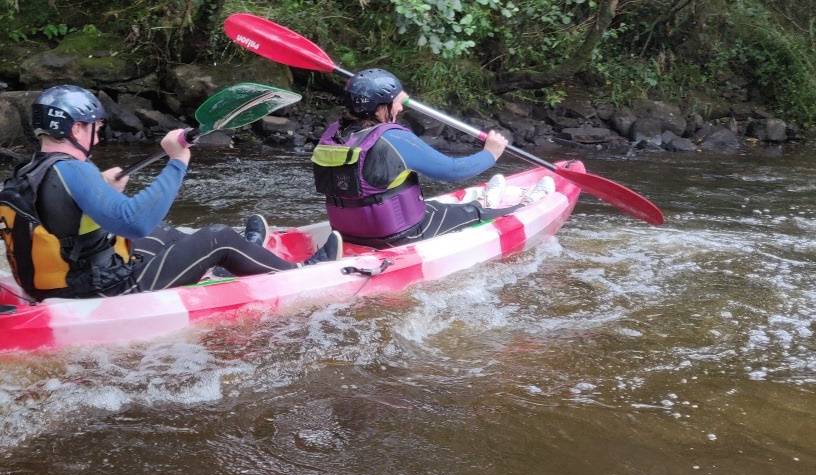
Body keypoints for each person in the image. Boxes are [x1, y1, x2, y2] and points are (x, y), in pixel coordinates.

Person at [0, 84, 341, 302]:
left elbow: (61, 217)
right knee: (216, 237)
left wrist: (101, 191)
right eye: (95, 128)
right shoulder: (75, 170)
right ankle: (302, 276)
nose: (98, 137)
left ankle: (238, 260)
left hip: (57, 283)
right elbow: (136, 223)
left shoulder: (32, 170)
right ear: (76, 128)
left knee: (165, 235)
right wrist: (177, 161)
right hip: (101, 290)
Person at [311, 68, 551, 248]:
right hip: (398, 235)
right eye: (395, 103)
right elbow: (453, 171)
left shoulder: (332, 133)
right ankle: (523, 205)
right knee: (472, 214)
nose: (401, 109)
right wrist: (491, 153)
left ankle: (484, 199)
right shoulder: (392, 139)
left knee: (437, 206)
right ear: (379, 108)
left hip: (346, 232)